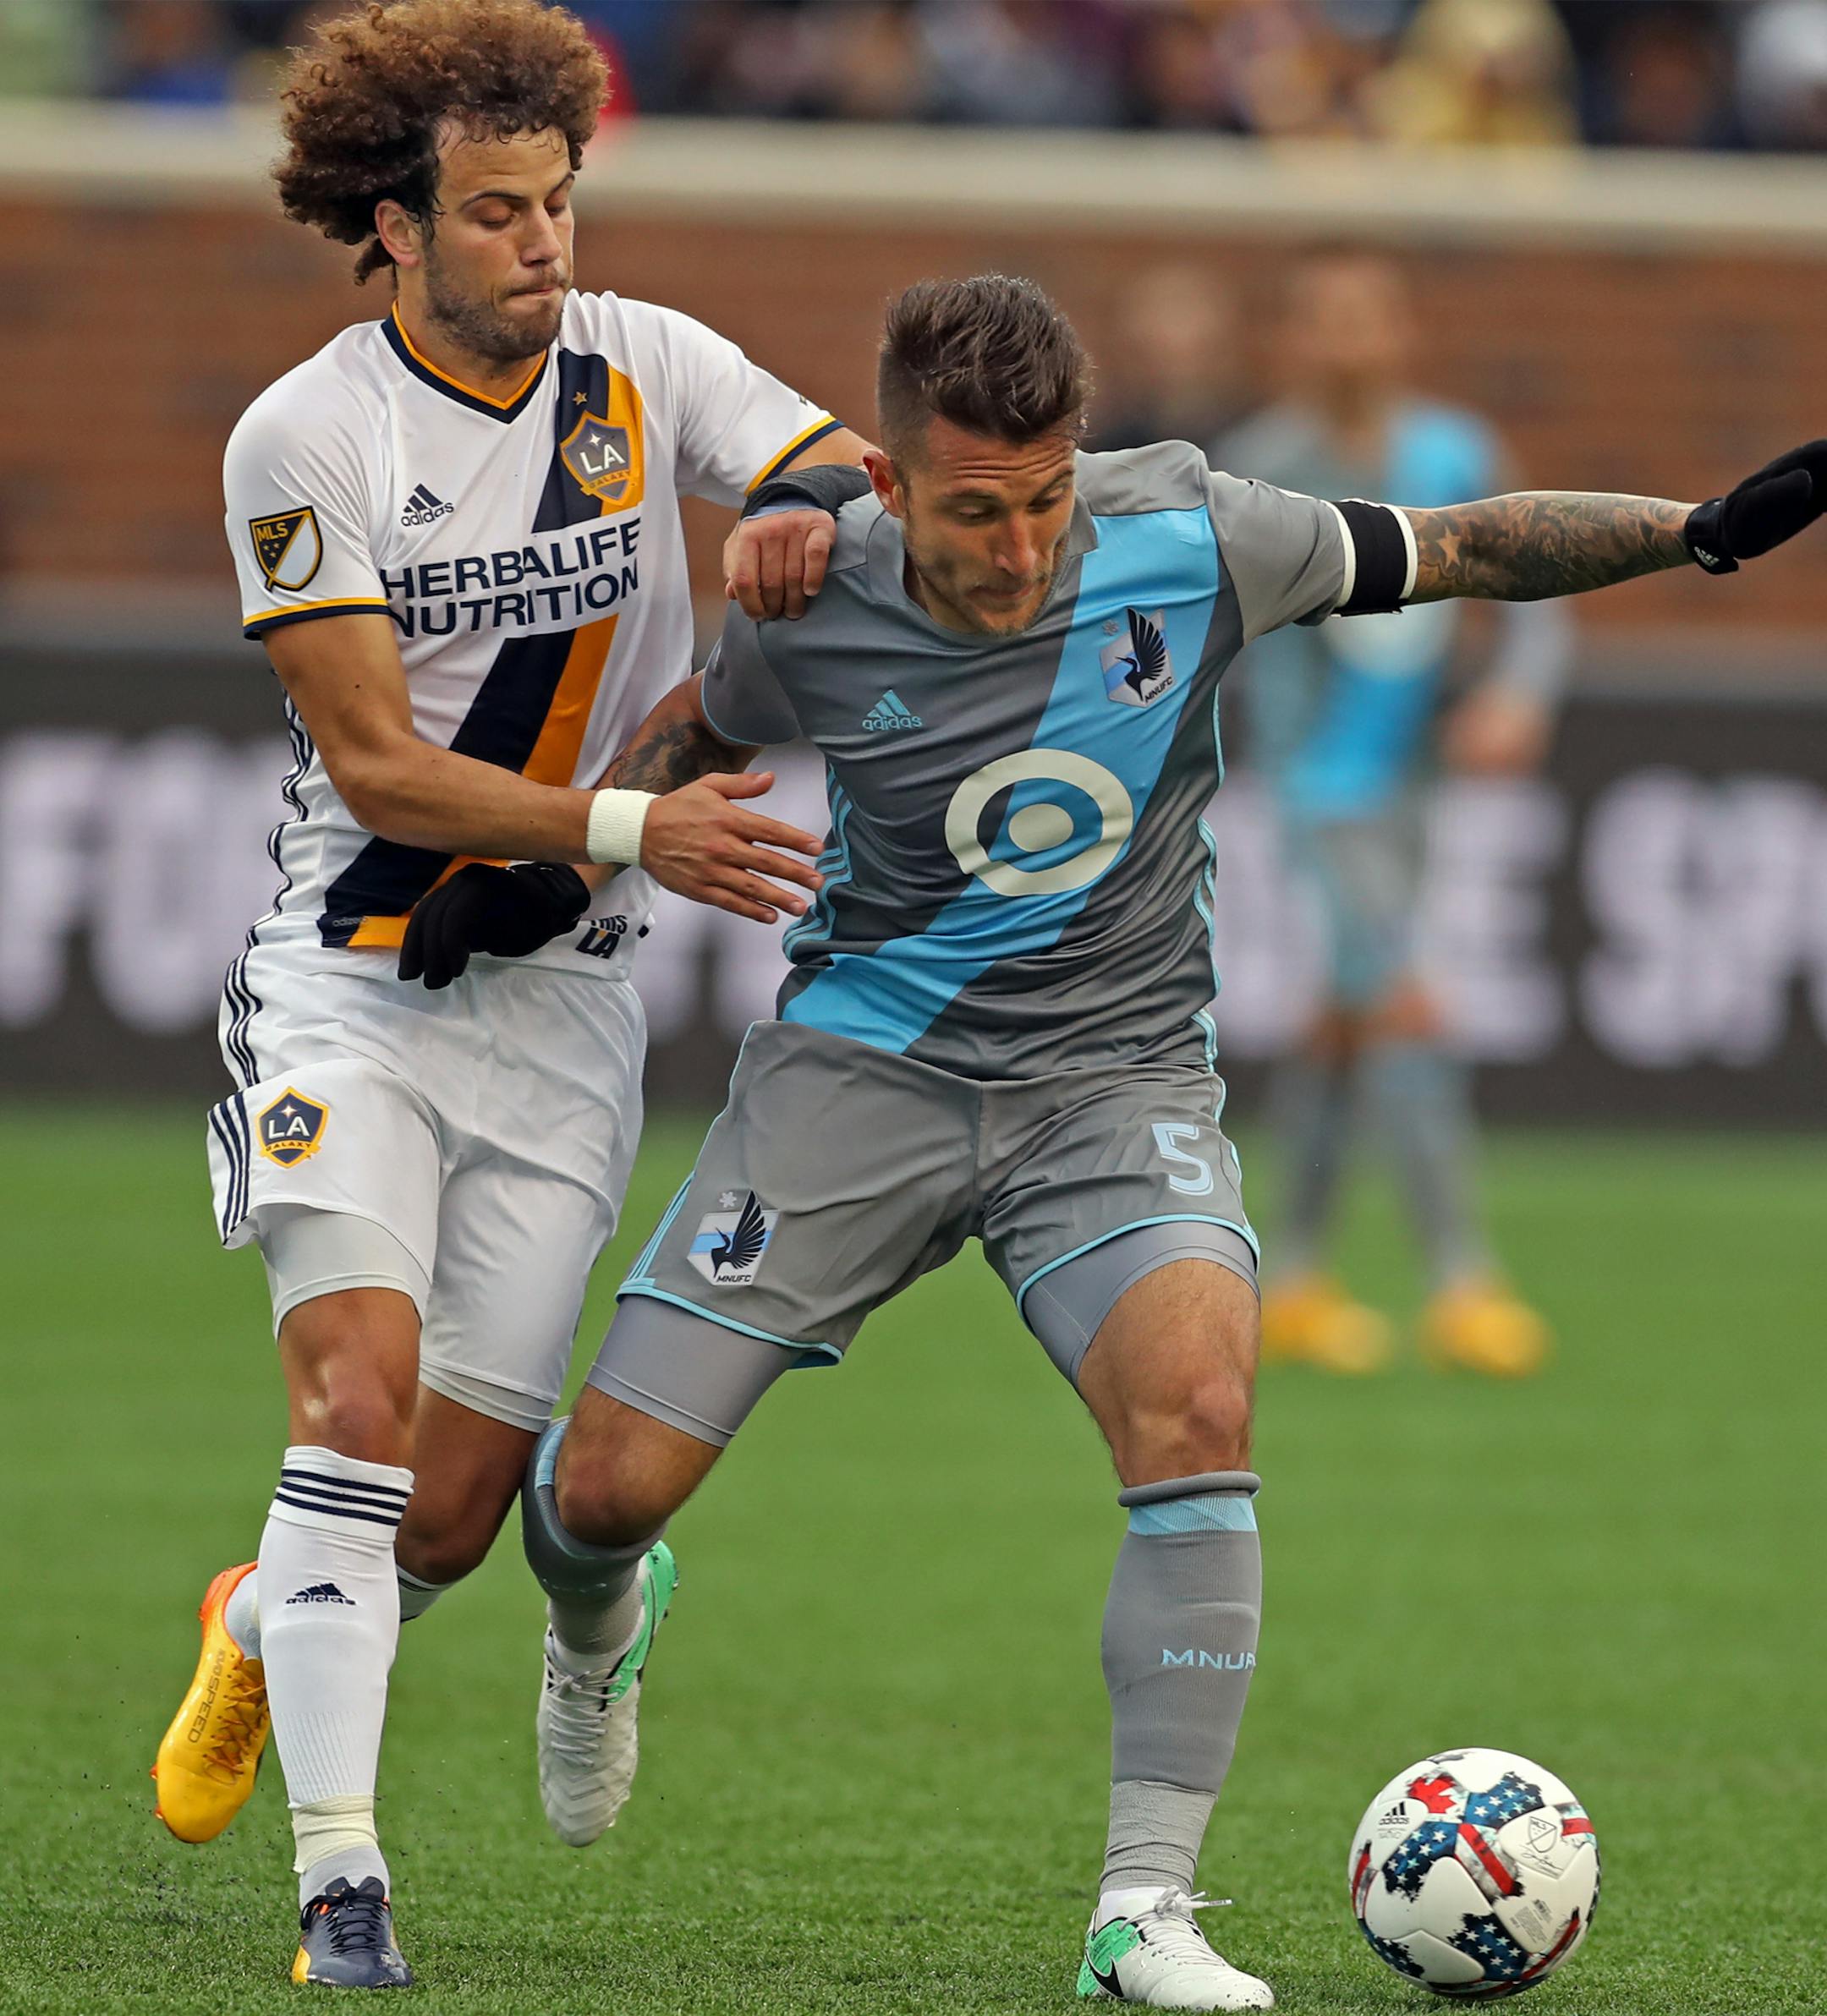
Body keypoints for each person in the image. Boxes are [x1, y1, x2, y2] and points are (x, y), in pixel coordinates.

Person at [444, 271, 1824, 2008]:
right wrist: (566, 863)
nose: (1020, 548)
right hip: (859, 1078)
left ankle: (1141, 1916)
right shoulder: (815, 594)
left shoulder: (1197, 531)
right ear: (886, 483)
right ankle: (599, 1623)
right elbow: (694, 736)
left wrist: (1702, 532)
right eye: (972, 510)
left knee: (1202, 1409)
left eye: (1043, 498)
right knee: (594, 1494)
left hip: (1115, 1087)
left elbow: (1466, 545)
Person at [150, 0, 868, 1990]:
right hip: (350, 985)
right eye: (495, 213)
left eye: (558, 199)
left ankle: (294, 1616)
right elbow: (379, 766)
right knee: (355, 1411)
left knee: (450, 1520)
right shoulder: (309, 434)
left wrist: (812, 509)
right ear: (391, 227)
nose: (547, 244)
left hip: (565, 1013)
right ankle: (342, 1887)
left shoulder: (647, 361)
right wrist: (638, 823)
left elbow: (844, 469)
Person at [1220, 248, 1572, 1377]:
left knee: (1345, 1021)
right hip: (1317, 784)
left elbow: (1540, 585)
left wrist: (1517, 694)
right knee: (1402, 1001)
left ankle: (1296, 1275)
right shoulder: (1265, 468)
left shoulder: (1453, 453)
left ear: (1399, 332)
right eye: (1324, 322)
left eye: (1363, 320)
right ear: (1297, 340)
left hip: (1411, 783)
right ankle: (1462, 1279)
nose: (1345, 341)